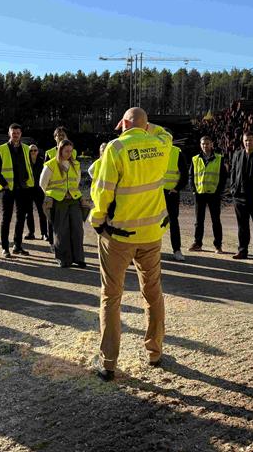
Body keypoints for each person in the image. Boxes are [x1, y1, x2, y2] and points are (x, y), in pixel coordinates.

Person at [90, 107, 172, 381]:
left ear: (124, 123)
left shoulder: (116, 148)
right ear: (146, 125)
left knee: (111, 297)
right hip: (151, 235)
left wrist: (96, 220)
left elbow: (103, 190)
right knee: (153, 293)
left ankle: (109, 362)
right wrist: (142, 123)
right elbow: (162, 131)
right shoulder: (161, 144)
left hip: (119, 236)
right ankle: (155, 351)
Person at [41, 139, 85, 268]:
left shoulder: (75, 164)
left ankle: (78, 258)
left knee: (77, 229)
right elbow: (42, 184)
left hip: (73, 199)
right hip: (59, 201)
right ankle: (63, 259)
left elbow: (76, 182)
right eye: (67, 151)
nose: (69, 153)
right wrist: (52, 195)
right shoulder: (51, 164)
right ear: (60, 150)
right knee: (61, 230)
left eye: (71, 151)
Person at [0, 123, 35, 258]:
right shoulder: (1, 149)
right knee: (7, 218)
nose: (15, 135)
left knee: (21, 217)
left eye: (17, 132)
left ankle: (17, 245)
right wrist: (4, 184)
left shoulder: (26, 149)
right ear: (9, 134)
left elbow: (29, 167)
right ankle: (5, 248)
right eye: (13, 133)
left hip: (23, 188)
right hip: (9, 189)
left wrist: (28, 182)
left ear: (20, 134)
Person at [188, 136, 227, 254]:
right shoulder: (195, 159)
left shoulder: (219, 159)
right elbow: (191, 176)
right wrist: (194, 190)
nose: (205, 146)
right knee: (199, 220)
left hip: (214, 194)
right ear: (200, 145)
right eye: (203, 144)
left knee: (216, 220)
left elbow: (223, 177)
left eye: (207, 143)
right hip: (199, 194)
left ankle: (218, 245)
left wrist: (219, 191)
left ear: (212, 144)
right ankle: (197, 243)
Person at [230, 131, 253, 260]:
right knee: (242, 225)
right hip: (239, 196)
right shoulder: (237, 154)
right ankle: (242, 250)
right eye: (245, 140)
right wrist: (233, 189)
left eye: (250, 140)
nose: (247, 142)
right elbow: (233, 172)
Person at [162, 134, 188, 261]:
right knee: (151, 223)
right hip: (156, 193)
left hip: (171, 194)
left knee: (173, 222)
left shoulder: (177, 153)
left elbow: (185, 175)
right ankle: (152, 251)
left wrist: (176, 189)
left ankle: (177, 250)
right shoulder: (154, 151)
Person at [24, 144, 48, 241]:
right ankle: (31, 232)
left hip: (39, 190)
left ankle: (44, 233)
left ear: (38, 151)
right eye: (31, 151)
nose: (33, 152)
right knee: (28, 213)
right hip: (28, 190)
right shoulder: (25, 162)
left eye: (35, 150)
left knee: (42, 212)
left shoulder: (42, 161)